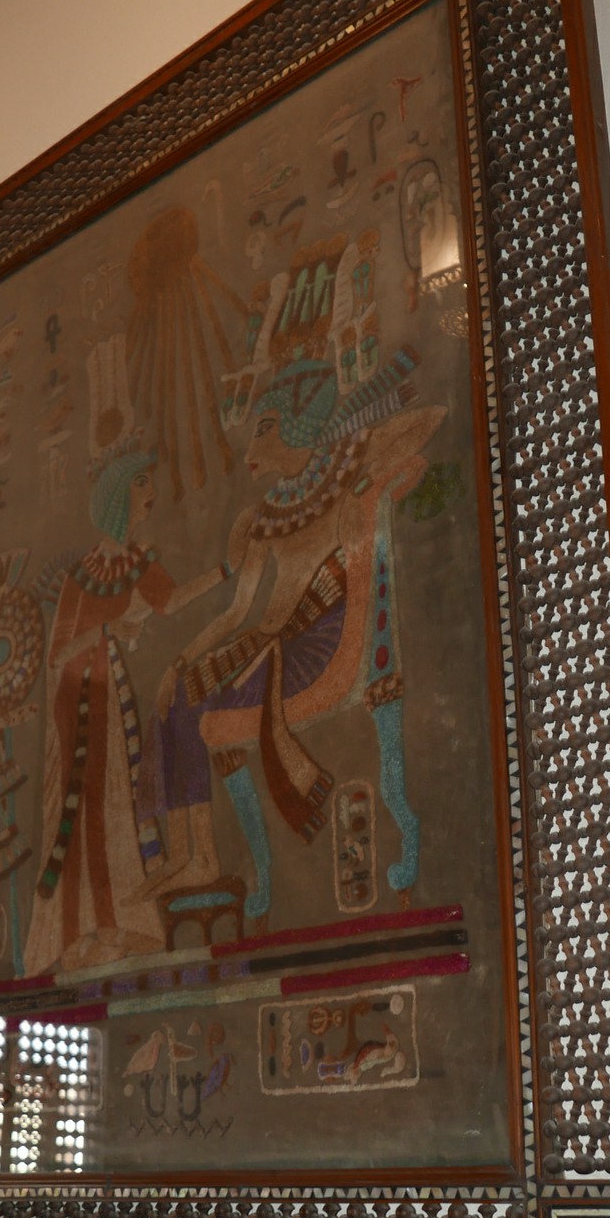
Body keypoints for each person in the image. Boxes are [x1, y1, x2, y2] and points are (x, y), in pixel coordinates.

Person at [141, 351, 438, 919]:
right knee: (177, 700)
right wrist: (178, 662)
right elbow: (236, 613)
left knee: (203, 716)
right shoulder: (263, 515)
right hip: (270, 643)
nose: (252, 450)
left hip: (321, 643)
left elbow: (427, 421)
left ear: (299, 423)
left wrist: (371, 480)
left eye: (266, 429)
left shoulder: (344, 467)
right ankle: (202, 858)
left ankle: (216, 860)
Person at [23, 447, 226, 975]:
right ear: (117, 498)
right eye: (140, 484)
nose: (149, 493)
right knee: (83, 814)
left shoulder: (138, 562)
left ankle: (119, 928)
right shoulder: (80, 576)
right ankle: (75, 935)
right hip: (78, 704)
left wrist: (226, 570)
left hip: (110, 697)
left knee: (115, 808)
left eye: (148, 483)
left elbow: (172, 600)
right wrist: (108, 629)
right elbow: (57, 654)